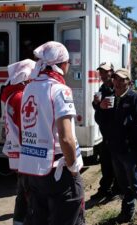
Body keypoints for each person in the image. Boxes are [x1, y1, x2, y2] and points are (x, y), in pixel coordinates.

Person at [18, 41, 85, 225]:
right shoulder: (59, 90)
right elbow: (66, 137)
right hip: (58, 170)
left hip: (34, 170)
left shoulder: (28, 88)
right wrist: (73, 169)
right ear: (62, 64)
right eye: (68, 62)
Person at [107, 68, 137, 225]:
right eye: (115, 79)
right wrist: (98, 107)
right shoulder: (113, 99)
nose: (118, 83)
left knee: (136, 186)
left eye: (122, 80)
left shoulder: (135, 99)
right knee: (124, 186)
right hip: (116, 150)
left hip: (129, 151)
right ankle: (126, 214)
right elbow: (105, 123)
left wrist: (127, 139)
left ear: (129, 82)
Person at [0, 59, 36, 225]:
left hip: (17, 154)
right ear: (26, 78)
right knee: (29, 194)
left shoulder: (12, 95)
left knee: (22, 192)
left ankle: (19, 221)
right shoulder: (20, 97)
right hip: (24, 154)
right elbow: (25, 128)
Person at [90, 62, 120, 202]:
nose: (102, 75)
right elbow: (99, 107)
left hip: (117, 134)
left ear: (112, 72)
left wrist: (102, 106)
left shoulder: (117, 87)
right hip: (106, 134)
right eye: (101, 72)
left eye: (105, 72)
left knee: (117, 164)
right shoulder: (103, 88)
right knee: (106, 163)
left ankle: (116, 190)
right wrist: (96, 103)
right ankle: (104, 189)